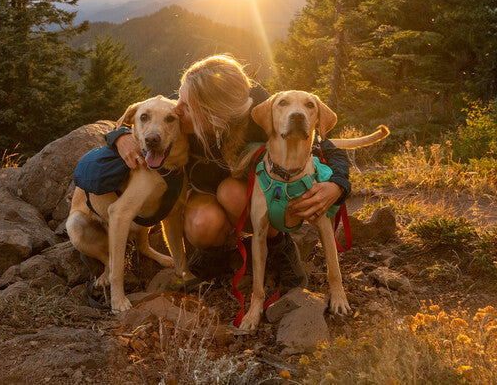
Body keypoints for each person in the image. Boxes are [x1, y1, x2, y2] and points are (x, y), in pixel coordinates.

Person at [105, 55, 351, 290]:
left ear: (213, 115)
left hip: (250, 194)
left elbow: (324, 147)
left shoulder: (258, 116)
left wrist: (337, 185)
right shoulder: (180, 110)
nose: (177, 109)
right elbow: (144, 116)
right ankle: (218, 253)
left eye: (186, 106)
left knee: (230, 192)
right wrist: (120, 136)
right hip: (205, 195)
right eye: (179, 98)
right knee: (201, 224)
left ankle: (278, 246)